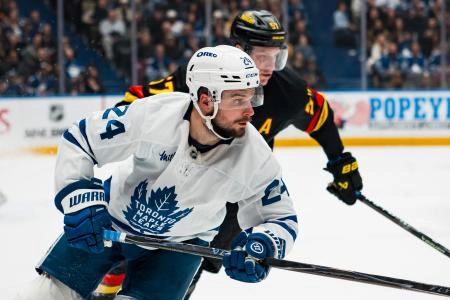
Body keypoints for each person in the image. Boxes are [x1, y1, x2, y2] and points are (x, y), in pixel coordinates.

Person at [97, 9, 363, 299]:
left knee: (192, 259)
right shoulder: (204, 76)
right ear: (240, 50)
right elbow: (141, 97)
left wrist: (340, 162)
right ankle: (110, 283)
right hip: (182, 173)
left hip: (235, 189)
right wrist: (119, 125)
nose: (270, 66)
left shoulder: (290, 91)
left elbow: (321, 117)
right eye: (262, 56)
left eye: (276, 56)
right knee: (139, 241)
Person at [15, 45, 298, 300]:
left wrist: (263, 245)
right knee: (42, 296)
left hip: (181, 247)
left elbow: (280, 217)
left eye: (252, 98)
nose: (250, 112)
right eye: (238, 100)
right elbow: (82, 139)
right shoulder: (154, 115)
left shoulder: (255, 156)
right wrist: (81, 199)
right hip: (109, 222)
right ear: (205, 100)